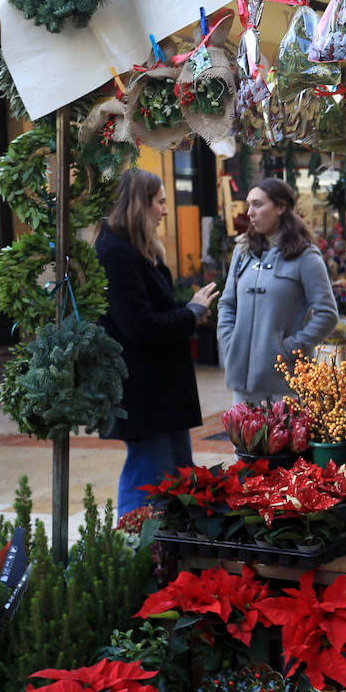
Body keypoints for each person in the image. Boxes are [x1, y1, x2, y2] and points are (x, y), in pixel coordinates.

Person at [95, 169, 218, 518]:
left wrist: (189, 311)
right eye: (160, 202)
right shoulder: (115, 252)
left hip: (162, 392)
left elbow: (150, 313)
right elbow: (139, 325)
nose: (165, 211)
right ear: (139, 204)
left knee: (178, 478)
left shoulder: (134, 248)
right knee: (148, 483)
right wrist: (190, 314)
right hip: (143, 393)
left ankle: (171, 557)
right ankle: (136, 555)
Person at [217, 177, 338, 403]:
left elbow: (327, 314)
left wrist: (288, 349)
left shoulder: (305, 256)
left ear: (281, 207)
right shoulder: (242, 252)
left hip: (286, 384)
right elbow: (227, 303)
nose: (250, 212)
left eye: (258, 204)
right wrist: (229, 341)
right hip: (243, 384)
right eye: (248, 205)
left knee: (286, 438)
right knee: (244, 439)